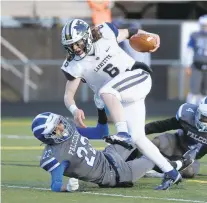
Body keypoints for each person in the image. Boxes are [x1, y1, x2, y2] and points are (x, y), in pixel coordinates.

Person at [60, 19, 181, 190]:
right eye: (70, 46)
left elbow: (131, 32)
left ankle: (122, 133)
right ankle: (172, 173)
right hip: (125, 94)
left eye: (77, 43)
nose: (75, 48)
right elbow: (68, 95)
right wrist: (74, 109)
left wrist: (148, 35)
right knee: (138, 138)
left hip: (137, 77)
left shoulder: (105, 34)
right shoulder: (74, 65)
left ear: (86, 36)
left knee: (106, 92)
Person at [31, 111, 168, 192]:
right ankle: (179, 165)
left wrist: (101, 109)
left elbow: (100, 132)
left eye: (59, 122)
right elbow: (56, 185)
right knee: (152, 158)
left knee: (135, 136)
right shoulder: (55, 155)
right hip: (114, 176)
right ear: (48, 137)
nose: (61, 127)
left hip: (108, 155)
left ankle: (149, 165)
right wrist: (68, 187)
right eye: (56, 129)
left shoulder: (70, 130)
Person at [145, 96, 207, 178]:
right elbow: (163, 125)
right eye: (204, 117)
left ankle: (161, 172)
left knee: (189, 172)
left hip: (190, 158)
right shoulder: (188, 117)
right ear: (198, 112)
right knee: (156, 142)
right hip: (175, 143)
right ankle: (137, 162)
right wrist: (141, 131)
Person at [185, 14, 207, 105]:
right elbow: (189, 50)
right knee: (194, 90)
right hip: (196, 65)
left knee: (205, 92)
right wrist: (187, 65)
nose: (205, 28)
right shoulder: (195, 35)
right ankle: (189, 110)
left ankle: (203, 111)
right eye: (203, 25)